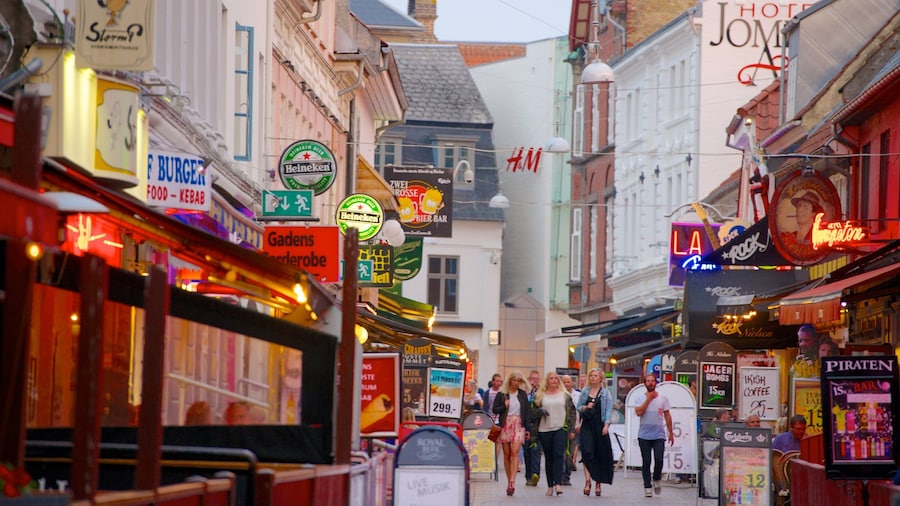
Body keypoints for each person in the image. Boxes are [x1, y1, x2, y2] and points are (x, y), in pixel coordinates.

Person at [533, 371, 576, 496]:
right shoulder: (540, 395)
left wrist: (571, 429)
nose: (554, 380)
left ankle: (558, 484)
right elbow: (533, 412)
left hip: (560, 428)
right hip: (544, 429)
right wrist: (539, 412)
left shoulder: (565, 395)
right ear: (547, 381)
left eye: (556, 379)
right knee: (549, 457)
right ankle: (550, 485)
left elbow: (572, 413)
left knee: (558, 455)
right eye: (551, 378)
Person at [493, 370, 533, 497]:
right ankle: (508, 479)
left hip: (518, 424)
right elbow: (495, 409)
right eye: (514, 380)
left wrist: (528, 429)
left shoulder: (522, 394)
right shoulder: (502, 394)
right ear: (510, 380)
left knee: (515, 452)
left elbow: (527, 412)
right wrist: (504, 406)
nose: (516, 383)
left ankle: (512, 482)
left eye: (518, 381)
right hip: (505, 424)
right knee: (507, 454)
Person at [634, 373, 675, 498]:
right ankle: (647, 486)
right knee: (646, 461)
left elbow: (667, 415)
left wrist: (671, 432)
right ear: (645, 383)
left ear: (656, 383)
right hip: (644, 435)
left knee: (659, 459)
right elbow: (639, 412)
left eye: (652, 381)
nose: (650, 383)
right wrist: (649, 399)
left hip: (659, 434)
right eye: (648, 381)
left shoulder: (663, 398)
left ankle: (656, 478)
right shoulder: (640, 398)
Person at [576, 368, 614, 497]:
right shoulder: (585, 392)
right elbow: (579, 406)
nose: (593, 378)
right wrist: (586, 407)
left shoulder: (605, 393)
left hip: (600, 426)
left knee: (599, 454)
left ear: (600, 378)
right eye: (591, 375)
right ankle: (588, 481)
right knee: (587, 452)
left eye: (595, 375)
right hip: (587, 425)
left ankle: (598, 482)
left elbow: (609, 410)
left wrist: (606, 425)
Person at [523, 369, 543, 487]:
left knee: (536, 450)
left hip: (537, 426)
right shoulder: (524, 392)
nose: (534, 382)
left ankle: (535, 473)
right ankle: (528, 475)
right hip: (526, 426)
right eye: (532, 379)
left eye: (536, 379)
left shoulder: (541, 393)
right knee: (527, 452)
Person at [561, 374, 580, 486]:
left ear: (572, 383)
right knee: (561, 453)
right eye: (564, 382)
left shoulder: (578, 395)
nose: (566, 384)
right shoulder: (558, 395)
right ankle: (561, 475)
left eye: (568, 382)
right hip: (561, 427)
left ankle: (567, 475)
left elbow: (580, 412)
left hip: (574, 427)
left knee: (570, 454)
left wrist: (579, 425)